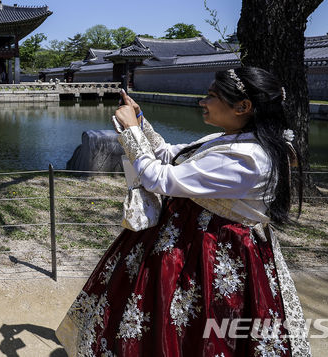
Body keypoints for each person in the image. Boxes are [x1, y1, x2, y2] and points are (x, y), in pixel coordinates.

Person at [56, 67, 311, 356]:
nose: (203, 101)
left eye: (212, 96)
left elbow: (161, 179)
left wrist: (131, 132)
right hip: (194, 242)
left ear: (243, 107)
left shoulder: (250, 159)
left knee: (194, 328)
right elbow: (171, 156)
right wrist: (140, 122)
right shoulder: (232, 139)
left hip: (212, 253)